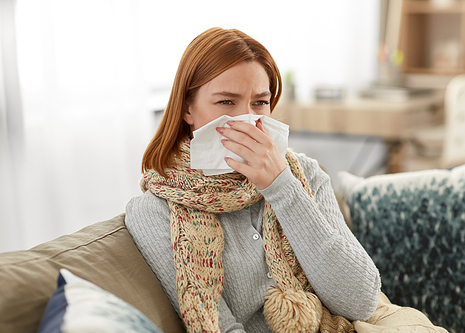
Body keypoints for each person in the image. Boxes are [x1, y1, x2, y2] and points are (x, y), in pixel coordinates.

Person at [125, 27, 381, 333]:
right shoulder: (154, 211)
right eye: (226, 103)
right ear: (187, 109)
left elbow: (361, 302)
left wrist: (282, 187)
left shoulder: (306, 174)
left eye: (259, 102)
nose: (246, 119)